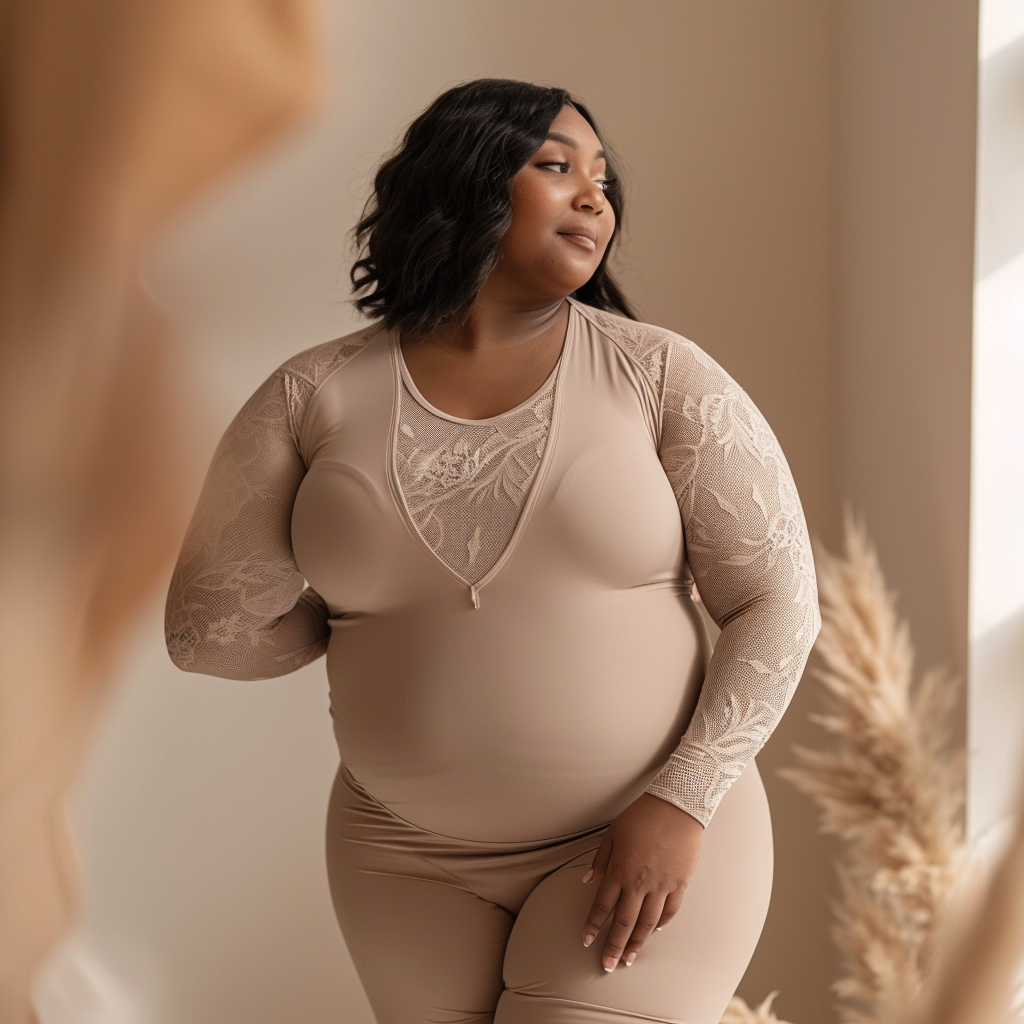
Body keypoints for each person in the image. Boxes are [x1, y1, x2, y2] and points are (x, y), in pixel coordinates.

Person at [165, 78, 820, 1024]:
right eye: (557, 167)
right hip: (398, 858)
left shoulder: (659, 374)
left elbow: (779, 601)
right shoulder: (311, 395)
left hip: (639, 838)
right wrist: (363, 618)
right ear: (462, 185)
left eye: (602, 176)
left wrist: (682, 800)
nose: (596, 196)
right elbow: (206, 630)